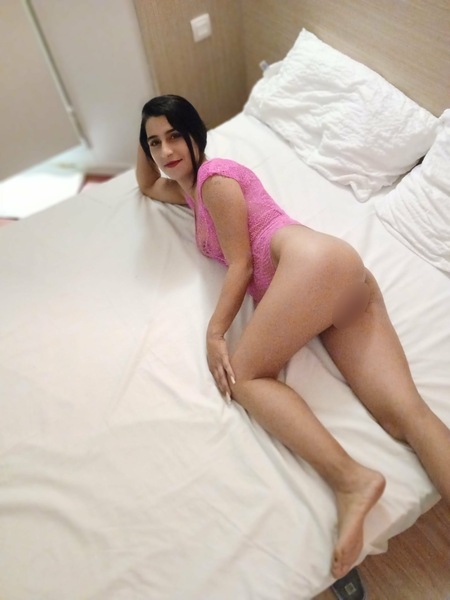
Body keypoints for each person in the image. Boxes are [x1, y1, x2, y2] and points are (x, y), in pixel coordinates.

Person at [136, 94, 450, 579]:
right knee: (403, 416)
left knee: (244, 378)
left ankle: (351, 481)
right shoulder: (189, 193)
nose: (165, 150)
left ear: (196, 134)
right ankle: (355, 481)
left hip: (310, 266)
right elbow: (146, 185)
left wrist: (215, 333)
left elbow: (241, 265)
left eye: (175, 135)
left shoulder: (215, 180)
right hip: (330, 281)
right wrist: (144, 135)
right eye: (155, 142)